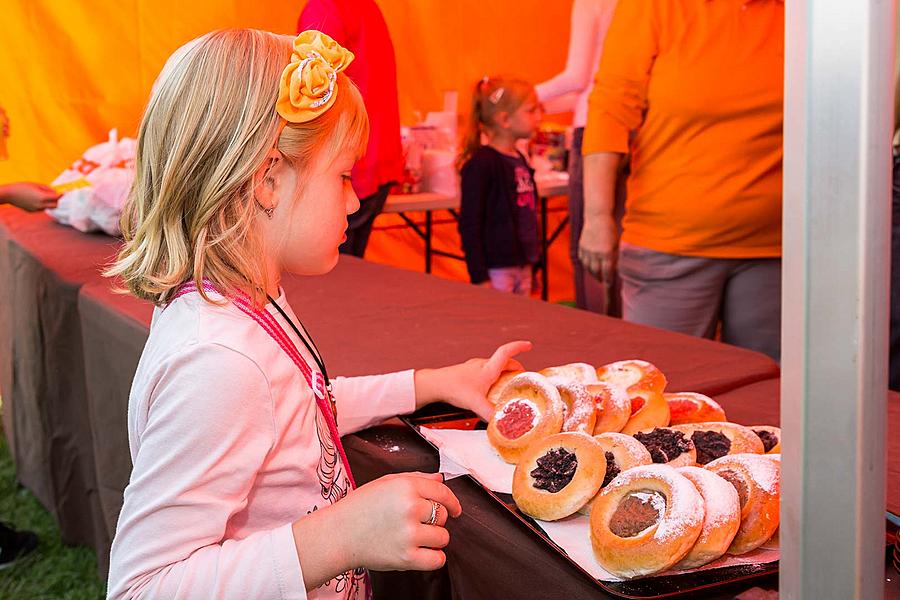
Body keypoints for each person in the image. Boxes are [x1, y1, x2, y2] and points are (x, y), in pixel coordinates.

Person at [104, 29, 529, 599]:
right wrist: (335, 540)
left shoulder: (248, 299)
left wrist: (429, 383)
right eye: (344, 175)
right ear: (268, 181)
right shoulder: (218, 361)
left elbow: (298, 410)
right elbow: (142, 588)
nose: (355, 200)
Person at [579, 0, 784, 361]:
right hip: (671, 245)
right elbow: (610, 109)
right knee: (663, 388)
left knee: (764, 394)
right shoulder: (655, 8)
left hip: (776, 250)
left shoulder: (804, 14)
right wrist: (597, 217)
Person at [298, 0, 403, 258]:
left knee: (335, 276)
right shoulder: (365, 7)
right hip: (374, 159)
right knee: (351, 271)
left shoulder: (326, 8)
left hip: (346, 164)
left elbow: (314, 89)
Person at [534, 0, 619, 314]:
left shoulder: (590, 4)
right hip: (634, 130)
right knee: (623, 241)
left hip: (595, 131)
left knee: (589, 244)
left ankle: (596, 331)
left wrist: (525, 95)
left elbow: (578, 78)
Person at [457, 77, 543, 296]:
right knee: (500, 325)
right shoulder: (481, 165)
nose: (539, 117)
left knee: (521, 324)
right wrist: (479, 276)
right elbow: (470, 224)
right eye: (531, 111)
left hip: (522, 264)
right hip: (497, 268)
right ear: (505, 120)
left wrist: (533, 263)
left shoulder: (520, 159)